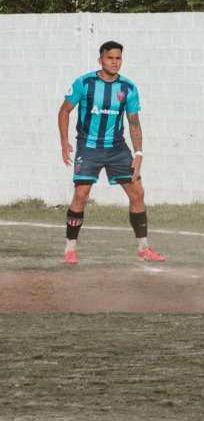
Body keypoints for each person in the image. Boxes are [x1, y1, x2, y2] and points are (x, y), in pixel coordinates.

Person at [57, 40, 164, 265]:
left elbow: (133, 122)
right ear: (101, 59)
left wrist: (139, 153)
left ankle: (144, 248)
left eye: (118, 59)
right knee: (81, 195)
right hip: (88, 146)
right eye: (110, 58)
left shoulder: (128, 88)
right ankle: (70, 249)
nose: (115, 62)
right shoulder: (84, 83)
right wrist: (64, 141)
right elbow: (64, 111)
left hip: (117, 148)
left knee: (137, 193)